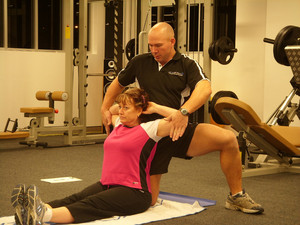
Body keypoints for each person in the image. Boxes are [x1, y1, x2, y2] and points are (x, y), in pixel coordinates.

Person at [101, 22, 264, 214]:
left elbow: (205, 89)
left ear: (172, 42)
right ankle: (111, 194)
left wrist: (183, 112)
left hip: (176, 128)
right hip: (148, 135)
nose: (154, 50)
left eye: (158, 45)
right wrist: (104, 108)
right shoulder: (140, 62)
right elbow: (117, 84)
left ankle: (236, 196)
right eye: (150, 45)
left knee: (228, 139)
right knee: (149, 200)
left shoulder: (187, 64)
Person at [11, 88, 177, 225]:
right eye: (120, 107)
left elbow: (181, 117)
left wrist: (154, 107)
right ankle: (28, 212)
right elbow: (110, 110)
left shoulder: (150, 129)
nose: (120, 111)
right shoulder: (118, 124)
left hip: (135, 192)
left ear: (140, 110)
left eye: (126, 108)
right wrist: (124, 102)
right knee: (74, 198)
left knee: (89, 205)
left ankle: (42, 215)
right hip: (107, 184)